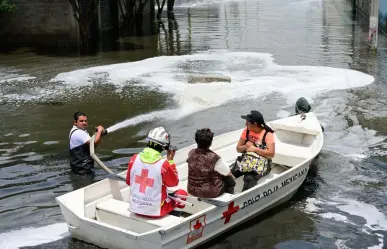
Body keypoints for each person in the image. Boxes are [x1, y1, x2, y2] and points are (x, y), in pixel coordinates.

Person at [125, 127, 187, 218]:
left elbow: (128, 182)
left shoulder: (134, 159)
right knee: (182, 194)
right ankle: (175, 215)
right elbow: (174, 183)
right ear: (164, 146)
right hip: (155, 211)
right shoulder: (163, 165)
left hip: (135, 208)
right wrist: (171, 161)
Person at [187, 128, 236, 198]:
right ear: (210, 142)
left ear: (196, 141)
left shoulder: (191, 153)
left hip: (192, 190)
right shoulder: (214, 158)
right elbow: (228, 173)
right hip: (209, 192)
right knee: (229, 179)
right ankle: (230, 199)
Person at [234, 110, 275, 191]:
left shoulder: (267, 134)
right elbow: (238, 149)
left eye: (247, 122)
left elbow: (271, 154)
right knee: (230, 173)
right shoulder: (246, 131)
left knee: (249, 178)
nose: (245, 124)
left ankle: (244, 198)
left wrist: (255, 149)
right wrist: (246, 146)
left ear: (255, 124)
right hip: (247, 160)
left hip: (262, 165)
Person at [69, 111, 105, 176]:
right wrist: (99, 131)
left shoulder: (79, 131)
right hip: (83, 171)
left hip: (80, 169)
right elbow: (94, 142)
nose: (84, 123)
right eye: (81, 121)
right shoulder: (78, 133)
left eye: (85, 121)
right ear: (75, 122)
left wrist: (98, 135)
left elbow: (93, 145)